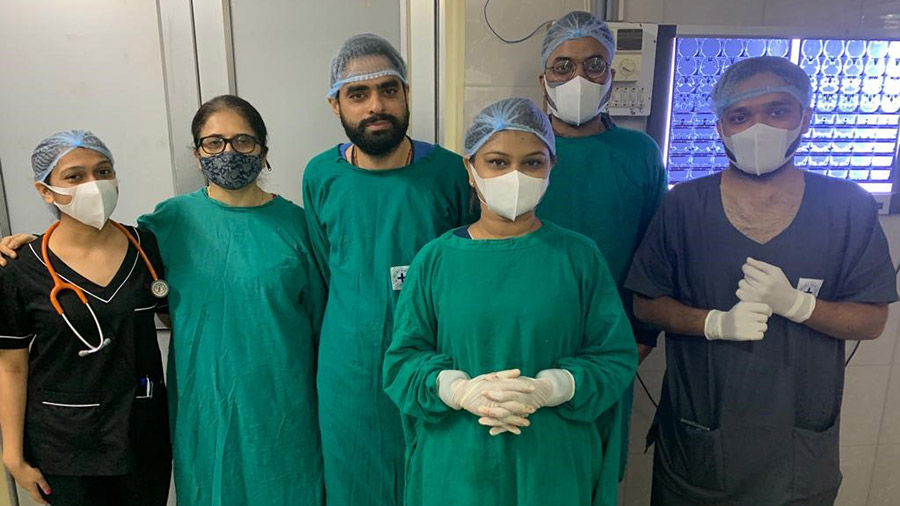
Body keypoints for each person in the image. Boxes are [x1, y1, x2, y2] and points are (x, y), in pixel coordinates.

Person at [0, 96, 326, 506]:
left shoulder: (299, 226)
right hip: (205, 401)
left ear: (263, 149)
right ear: (197, 153)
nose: (228, 152)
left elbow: (322, 321)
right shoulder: (168, 223)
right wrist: (29, 247)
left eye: (243, 141)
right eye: (214, 142)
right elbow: (94, 247)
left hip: (285, 397)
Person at [625, 56, 897, 505]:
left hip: (796, 453)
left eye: (777, 111)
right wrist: (714, 323)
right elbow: (646, 303)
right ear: (721, 128)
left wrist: (799, 305)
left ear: (804, 118)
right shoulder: (685, 206)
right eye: (740, 116)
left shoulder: (848, 207)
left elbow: (871, 321)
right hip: (699, 441)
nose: (758, 127)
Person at [383, 97, 638, 506]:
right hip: (458, 468)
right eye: (497, 162)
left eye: (532, 162)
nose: (515, 176)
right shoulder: (435, 260)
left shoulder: (578, 258)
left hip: (551, 466)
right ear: (470, 169)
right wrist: (454, 389)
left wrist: (555, 386)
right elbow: (402, 363)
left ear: (552, 166)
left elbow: (615, 357)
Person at [302, 33, 473, 506]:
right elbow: (323, 270)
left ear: (406, 94)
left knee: (434, 482)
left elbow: (466, 275)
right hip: (349, 370)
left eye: (388, 90)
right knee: (355, 485)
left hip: (436, 364)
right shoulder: (321, 177)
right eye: (358, 94)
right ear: (335, 104)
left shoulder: (451, 174)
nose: (376, 105)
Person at [0, 131, 171, 506]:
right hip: (64, 445)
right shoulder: (22, 268)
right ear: (45, 191)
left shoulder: (147, 247)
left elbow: (178, 318)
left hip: (142, 432)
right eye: (75, 176)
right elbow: (11, 365)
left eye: (103, 171)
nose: (94, 184)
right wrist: (12, 455)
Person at [535, 9, 668, 477]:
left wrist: (639, 340)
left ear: (611, 75)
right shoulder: (519, 152)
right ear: (543, 79)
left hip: (608, 350)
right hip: (523, 345)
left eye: (593, 65)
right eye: (563, 66)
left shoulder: (639, 154)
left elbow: (656, 255)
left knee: (596, 474)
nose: (578, 77)